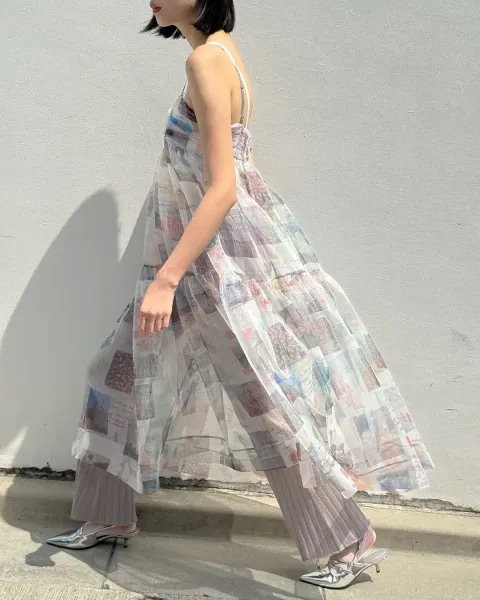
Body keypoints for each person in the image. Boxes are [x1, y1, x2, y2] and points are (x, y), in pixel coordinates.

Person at [47, 0, 434, 590]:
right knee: (118, 374)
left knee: (262, 401)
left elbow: (222, 188)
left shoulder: (207, 60)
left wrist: (167, 279)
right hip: (209, 260)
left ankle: (346, 542)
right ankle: (107, 515)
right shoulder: (221, 54)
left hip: (208, 267)